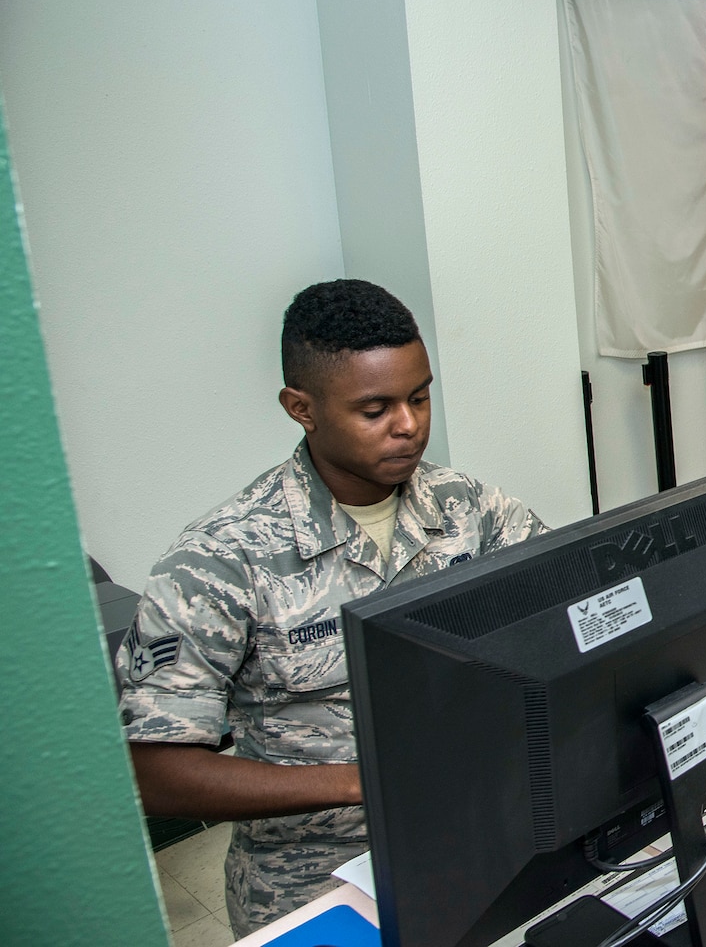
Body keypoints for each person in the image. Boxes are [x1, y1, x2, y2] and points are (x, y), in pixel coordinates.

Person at [115, 280, 547, 936]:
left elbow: (567, 613)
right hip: (314, 882)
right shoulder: (222, 560)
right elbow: (155, 774)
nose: (409, 424)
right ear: (302, 408)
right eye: (375, 409)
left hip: (475, 845)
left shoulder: (471, 509)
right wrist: (363, 781)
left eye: (420, 397)